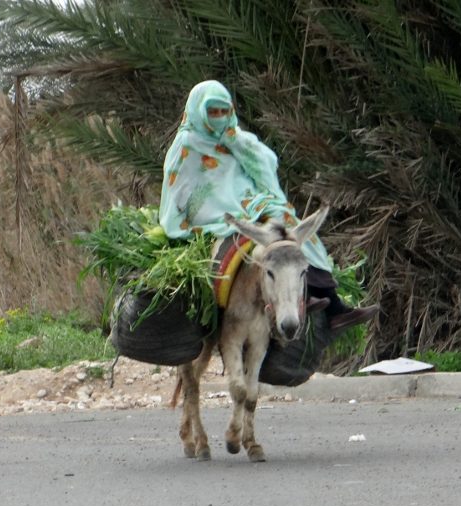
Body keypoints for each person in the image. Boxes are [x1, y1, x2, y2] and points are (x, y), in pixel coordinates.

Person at [158, 80, 378, 336]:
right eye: (212, 112)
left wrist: (238, 143)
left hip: (248, 200)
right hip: (211, 209)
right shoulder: (187, 144)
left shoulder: (234, 136)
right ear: (198, 112)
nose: (218, 118)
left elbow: (265, 162)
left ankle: (329, 301)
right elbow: (179, 187)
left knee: (286, 223)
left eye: (223, 111)